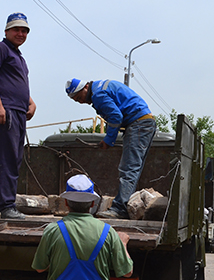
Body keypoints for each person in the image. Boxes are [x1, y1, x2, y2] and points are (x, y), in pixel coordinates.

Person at [32, 174, 133, 280]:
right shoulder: (108, 232)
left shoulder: (53, 231)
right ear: (93, 204)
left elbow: (40, 268)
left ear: (66, 203)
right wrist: (122, 243)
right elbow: (127, 272)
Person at [65, 78, 156, 219]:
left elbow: (115, 116)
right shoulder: (100, 88)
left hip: (138, 124)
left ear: (85, 88)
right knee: (133, 169)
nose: (80, 101)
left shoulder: (98, 95)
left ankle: (119, 209)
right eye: (76, 100)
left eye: (79, 97)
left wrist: (108, 140)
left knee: (128, 168)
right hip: (142, 123)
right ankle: (127, 206)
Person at [0, 12, 37, 219]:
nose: (21, 33)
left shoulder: (19, 57)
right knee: (7, 157)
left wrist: (31, 103)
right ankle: (6, 205)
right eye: (17, 29)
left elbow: (18, 83)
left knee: (14, 158)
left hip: (18, 111)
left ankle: (3, 204)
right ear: (7, 30)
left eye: (24, 30)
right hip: (5, 110)